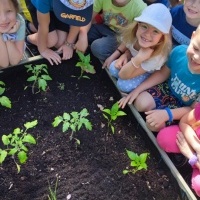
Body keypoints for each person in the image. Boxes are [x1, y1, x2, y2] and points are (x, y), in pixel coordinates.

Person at [118, 24, 200, 132]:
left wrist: (167, 114)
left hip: (183, 107)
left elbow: (192, 110)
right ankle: (155, 113)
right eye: (196, 48)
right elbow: (162, 74)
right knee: (140, 104)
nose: (196, 57)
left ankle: (164, 127)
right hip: (167, 89)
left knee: (152, 125)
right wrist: (137, 91)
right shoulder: (179, 52)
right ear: (193, 37)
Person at [103, 3, 172, 94]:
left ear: (162, 37)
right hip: (134, 60)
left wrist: (138, 58)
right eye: (144, 26)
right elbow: (126, 43)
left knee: (123, 85)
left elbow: (122, 75)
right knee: (112, 68)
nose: (147, 34)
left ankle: (141, 87)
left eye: (155, 31)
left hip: (145, 70)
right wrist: (122, 55)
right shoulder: (134, 35)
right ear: (137, 26)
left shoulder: (157, 57)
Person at [26, 0, 93, 65]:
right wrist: (43, 50)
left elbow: (77, 19)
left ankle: (35, 27)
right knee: (51, 41)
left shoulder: (85, 3)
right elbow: (43, 25)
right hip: (39, 7)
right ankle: (29, 37)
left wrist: (68, 44)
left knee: (60, 42)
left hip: (59, 7)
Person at [156, 102, 200, 197]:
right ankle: (184, 160)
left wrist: (191, 156)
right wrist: (196, 146)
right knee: (165, 138)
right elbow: (184, 121)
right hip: (193, 141)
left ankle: (189, 171)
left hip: (196, 159)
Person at [0, 0, 25, 68]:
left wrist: (8, 36)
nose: (3, 19)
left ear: (16, 10)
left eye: (8, 11)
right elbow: (4, 63)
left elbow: (15, 61)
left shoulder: (19, 21)